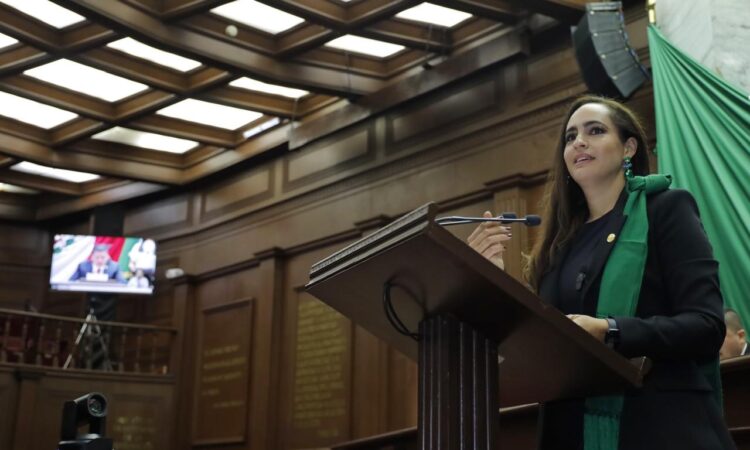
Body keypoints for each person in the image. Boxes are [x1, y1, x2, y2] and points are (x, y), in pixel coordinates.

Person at [468, 95, 734, 449]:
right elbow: (538, 341)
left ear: (628, 148)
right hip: (569, 430)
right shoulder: (559, 244)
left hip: (659, 425)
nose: (579, 141)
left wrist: (610, 330)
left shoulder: (666, 209)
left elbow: (706, 326)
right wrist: (491, 279)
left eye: (595, 131)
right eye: (570, 136)